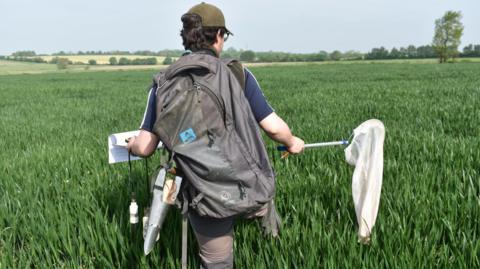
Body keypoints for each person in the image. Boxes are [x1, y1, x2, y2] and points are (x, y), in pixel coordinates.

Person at [127, 2, 304, 268]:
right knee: (265, 208)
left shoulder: (164, 82)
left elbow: (145, 147)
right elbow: (273, 128)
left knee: (217, 261)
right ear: (219, 35)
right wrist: (293, 142)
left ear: (187, 37)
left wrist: (130, 146)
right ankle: (273, 241)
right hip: (248, 182)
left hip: (203, 192)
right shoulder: (237, 73)